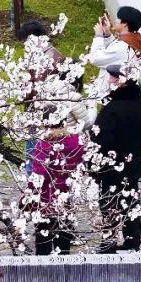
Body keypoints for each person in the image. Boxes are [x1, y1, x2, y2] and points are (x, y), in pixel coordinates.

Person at [91, 64, 141, 253]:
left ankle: (108, 243)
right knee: (131, 201)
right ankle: (132, 240)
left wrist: (94, 162)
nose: (110, 81)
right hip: (132, 160)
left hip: (110, 165)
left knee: (109, 203)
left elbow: (100, 138)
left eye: (113, 78)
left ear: (122, 82)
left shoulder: (112, 108)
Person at [28, 75, 92, 255]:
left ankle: (42, 264)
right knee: (64, 231)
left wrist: (30, 192)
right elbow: (80, 166)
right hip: (67, 192)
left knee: (43, 235)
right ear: (64, 121)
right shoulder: (76, 142)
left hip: (46, 196)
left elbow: (39, 174)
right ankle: (64, 261)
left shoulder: (43, 145)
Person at [18, 20, 66, 173]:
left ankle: (33, 176)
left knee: (35, 150)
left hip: (41, 109)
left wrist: (23, 91)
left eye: (25, 41)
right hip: (43, 109)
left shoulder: (46, 57)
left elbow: (37, 86)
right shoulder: (47, 53)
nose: (24, 45)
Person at [88, 6, 141, 74]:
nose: (116, 20)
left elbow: (95, 58)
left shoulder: (123, 47)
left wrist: (98, 35)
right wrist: (107, 34)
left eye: (118, 18)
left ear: (125, 24)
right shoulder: (133, 40)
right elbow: (113, 52)